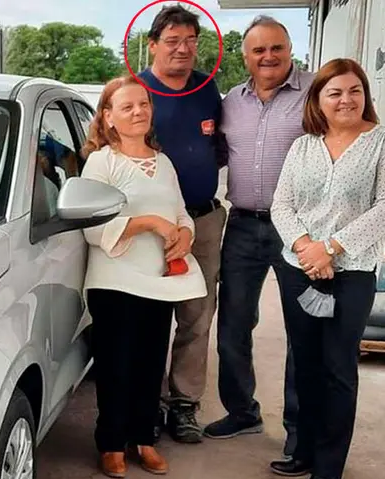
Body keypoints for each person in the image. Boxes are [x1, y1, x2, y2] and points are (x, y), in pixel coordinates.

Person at [268, 58, 385, 479]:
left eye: (354, 91)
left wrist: (331, 249)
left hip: (353, 274)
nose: (345, 100)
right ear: (318, 100)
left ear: (365, 94)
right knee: (303, 361)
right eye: (335, 92)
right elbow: (282, 206)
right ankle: (301, 450)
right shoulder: (304, 146)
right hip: (300, 269)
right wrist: (307, 248)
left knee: (338, 368)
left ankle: (329, 466)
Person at [79, 75, 208, 479]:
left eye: (144, 105)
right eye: (127, 106)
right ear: (109, 117)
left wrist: (185, 233)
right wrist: (147, 222)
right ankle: (111, 443)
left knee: (152, 362)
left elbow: (181, 212)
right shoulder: (103, 161)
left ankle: (144, 439)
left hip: (159, 279)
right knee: (117, 364)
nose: (138, 112)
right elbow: (91, 227)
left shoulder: (163, 161)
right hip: (115, 279)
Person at [204, 16, 315, 462]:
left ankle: (298, 429)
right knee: (232, 324)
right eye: (258, 50)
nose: (268, 57)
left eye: (276, 48)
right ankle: (242, 411)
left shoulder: (315, 93)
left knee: (302, 328)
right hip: (244, 224)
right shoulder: (232, 101)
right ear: (245, 56)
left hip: (301, 229)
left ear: (290, 49)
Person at [136, 3, 227, 444]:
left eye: (190, 41)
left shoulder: (209, 90)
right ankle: (147, 403)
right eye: (172, 41)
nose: (183, 49)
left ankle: (184, 405)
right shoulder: (136, 91)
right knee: (150, 317)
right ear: (153, 45)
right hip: (150, 226)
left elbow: (221, 145)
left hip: (204, 220)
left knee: (196, 315)